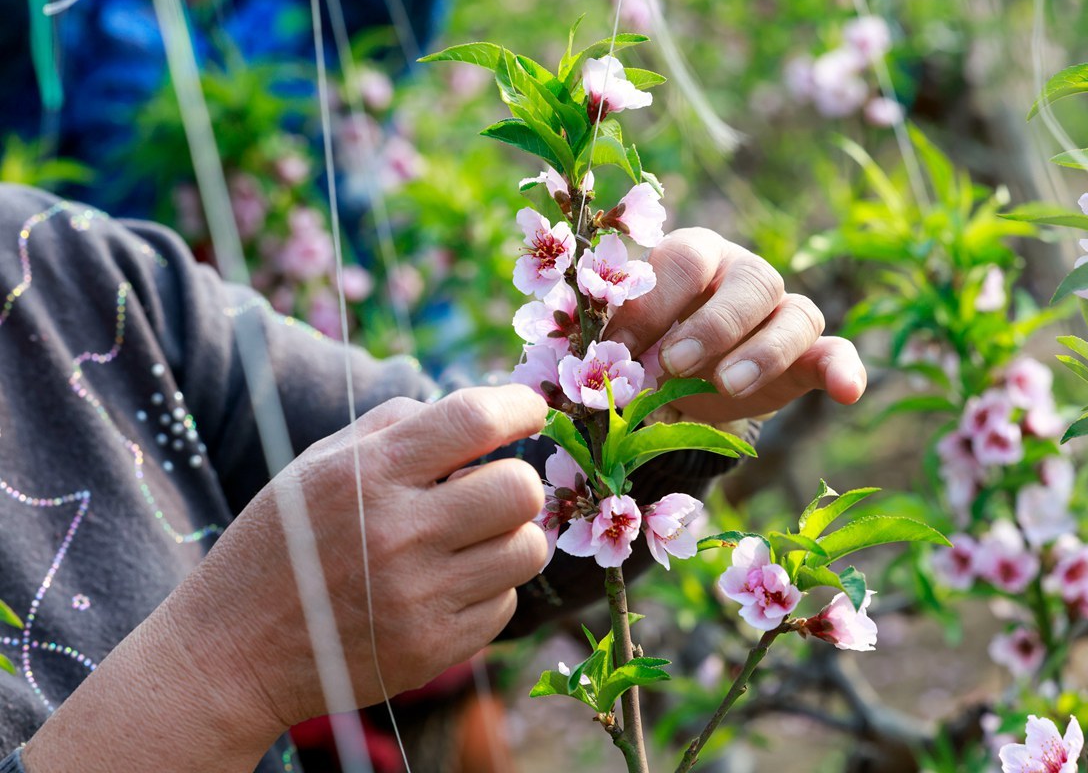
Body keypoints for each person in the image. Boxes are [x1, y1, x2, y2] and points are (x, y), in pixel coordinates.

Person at [0, 182, 865, 771]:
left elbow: (455, 497)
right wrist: (223, 669)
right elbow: (271, 619)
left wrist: (648, 410)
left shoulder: (62, 270)